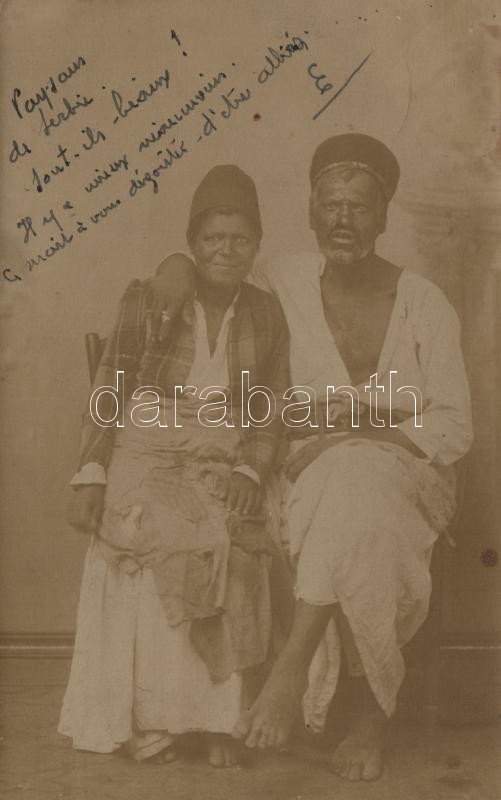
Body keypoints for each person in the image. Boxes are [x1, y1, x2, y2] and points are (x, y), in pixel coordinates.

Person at [148, 134, 473, 781]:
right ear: (309, 213)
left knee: (357, 486)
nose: (342, 219)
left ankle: (296, 672)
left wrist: (357, 433)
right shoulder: (283, 280)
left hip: (407, 476)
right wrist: (174, 267)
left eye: (357, 206)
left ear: (382, 216)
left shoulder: (421, 303)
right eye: (330, 205)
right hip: (301, 471)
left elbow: (452, 424)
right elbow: (217, 279)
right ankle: (364, 714)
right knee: (341, 492)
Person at [59, 165, 291, 767]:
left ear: (255, 247)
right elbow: (110, 387)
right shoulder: (152, 298)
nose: (226, 250)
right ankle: (148, 718)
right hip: (147, 439)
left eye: (240, 239)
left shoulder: (266, 314)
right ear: (192, 243)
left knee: (231, 538)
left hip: (223, 446)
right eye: (213, 238)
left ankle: (217, 723)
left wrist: (250, 471)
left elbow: (270, 407)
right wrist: (91, 471)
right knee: (144, 528)